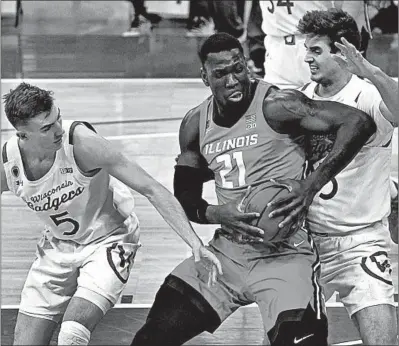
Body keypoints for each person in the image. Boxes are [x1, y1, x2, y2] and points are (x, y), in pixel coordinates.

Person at [130, 32, 376, 346]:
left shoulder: (278, 104)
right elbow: (186, 196)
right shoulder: (195, 124)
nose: (233, 80)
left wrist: (310, 187)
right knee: (151, 339)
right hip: (226, 255)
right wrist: (219, 213)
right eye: (221, 74)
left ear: (248, 66)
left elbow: (358, 123)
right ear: (204, 77)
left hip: (286, 255)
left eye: (238, 69)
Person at [1, 83, 222, 346]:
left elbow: (151, 188)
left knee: (72, 335)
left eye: (57, 117)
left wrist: (195, 242)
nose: (58, 129)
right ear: (22, 134)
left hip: (110, 240)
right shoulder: (9, 163)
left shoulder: (82, 144)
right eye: (47, 128)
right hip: (57, 247)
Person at [297, 9, 398, 345]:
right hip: (307, 243)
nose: (307, 57)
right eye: (307, 49)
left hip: (361, 240)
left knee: (380, 337)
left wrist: (370, 71)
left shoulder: (368, 95)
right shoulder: (301, 97)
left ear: (341, 53)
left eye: (316, 50)